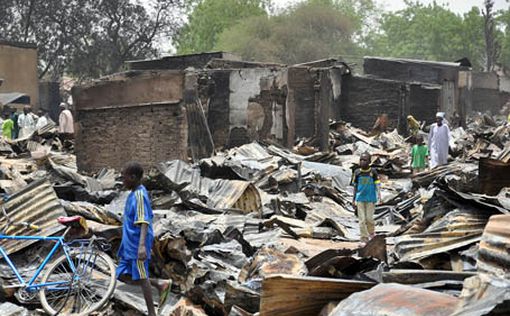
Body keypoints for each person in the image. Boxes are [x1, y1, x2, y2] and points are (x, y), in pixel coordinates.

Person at [116, 162, 170, 316]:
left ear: (133, 177)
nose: (122, 180)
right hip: (129, 243)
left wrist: (141, 247)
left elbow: (144, 221)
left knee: (142, 275)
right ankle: (160, 284)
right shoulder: (132, 194)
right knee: (121, 274)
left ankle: (151, 312)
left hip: (137, 242)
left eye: (124, 177)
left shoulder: (140, 195)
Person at [351, 152, 381, 244]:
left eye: (365, 160)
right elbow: (355, 187)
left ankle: (371, 233)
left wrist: (379, 197)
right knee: (362, 220)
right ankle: (364, 237)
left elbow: (377, 186)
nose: (362, 162)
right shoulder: (357, 172)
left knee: (369, 218)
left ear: (369, 162)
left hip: (370, 199)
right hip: (360, 199)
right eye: (361, 160)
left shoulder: (373, 172)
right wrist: (353, 200)